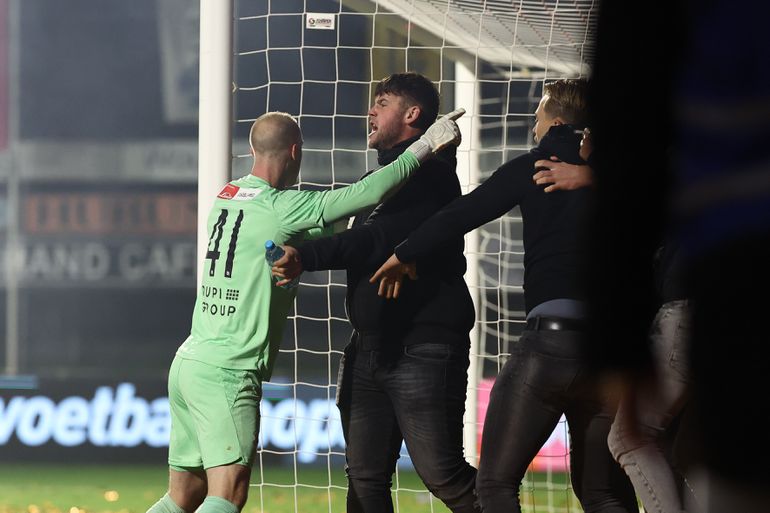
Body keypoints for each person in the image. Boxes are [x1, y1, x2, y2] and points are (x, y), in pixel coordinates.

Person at [145, 109, 464, 513]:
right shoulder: (283, 206)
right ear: (295, 152)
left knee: (183, 495)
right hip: (228, 370)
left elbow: (332, 231)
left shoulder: (228, 196)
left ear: (252, 149)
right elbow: (363, 197)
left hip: (189, 363)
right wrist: (423, 147)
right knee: (227, 494)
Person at [370, 79, 638, 513]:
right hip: (607, 350)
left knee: (493, 487)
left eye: (538, 116)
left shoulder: (537, 166)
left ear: (555, 119)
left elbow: (461, 213)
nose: (534, 125)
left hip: (551, 343)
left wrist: (403, 253)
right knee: (603, 492)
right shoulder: (626, 177)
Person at [271, 72, 479, 513]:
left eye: (381, 102)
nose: (370, 110)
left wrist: (306, 255)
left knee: (443, 473)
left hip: (422, 346)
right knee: (365, 478)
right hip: (369, 349)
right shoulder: (381, 179)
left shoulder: (431, 178)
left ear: (412, 115)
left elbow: (376, 241)